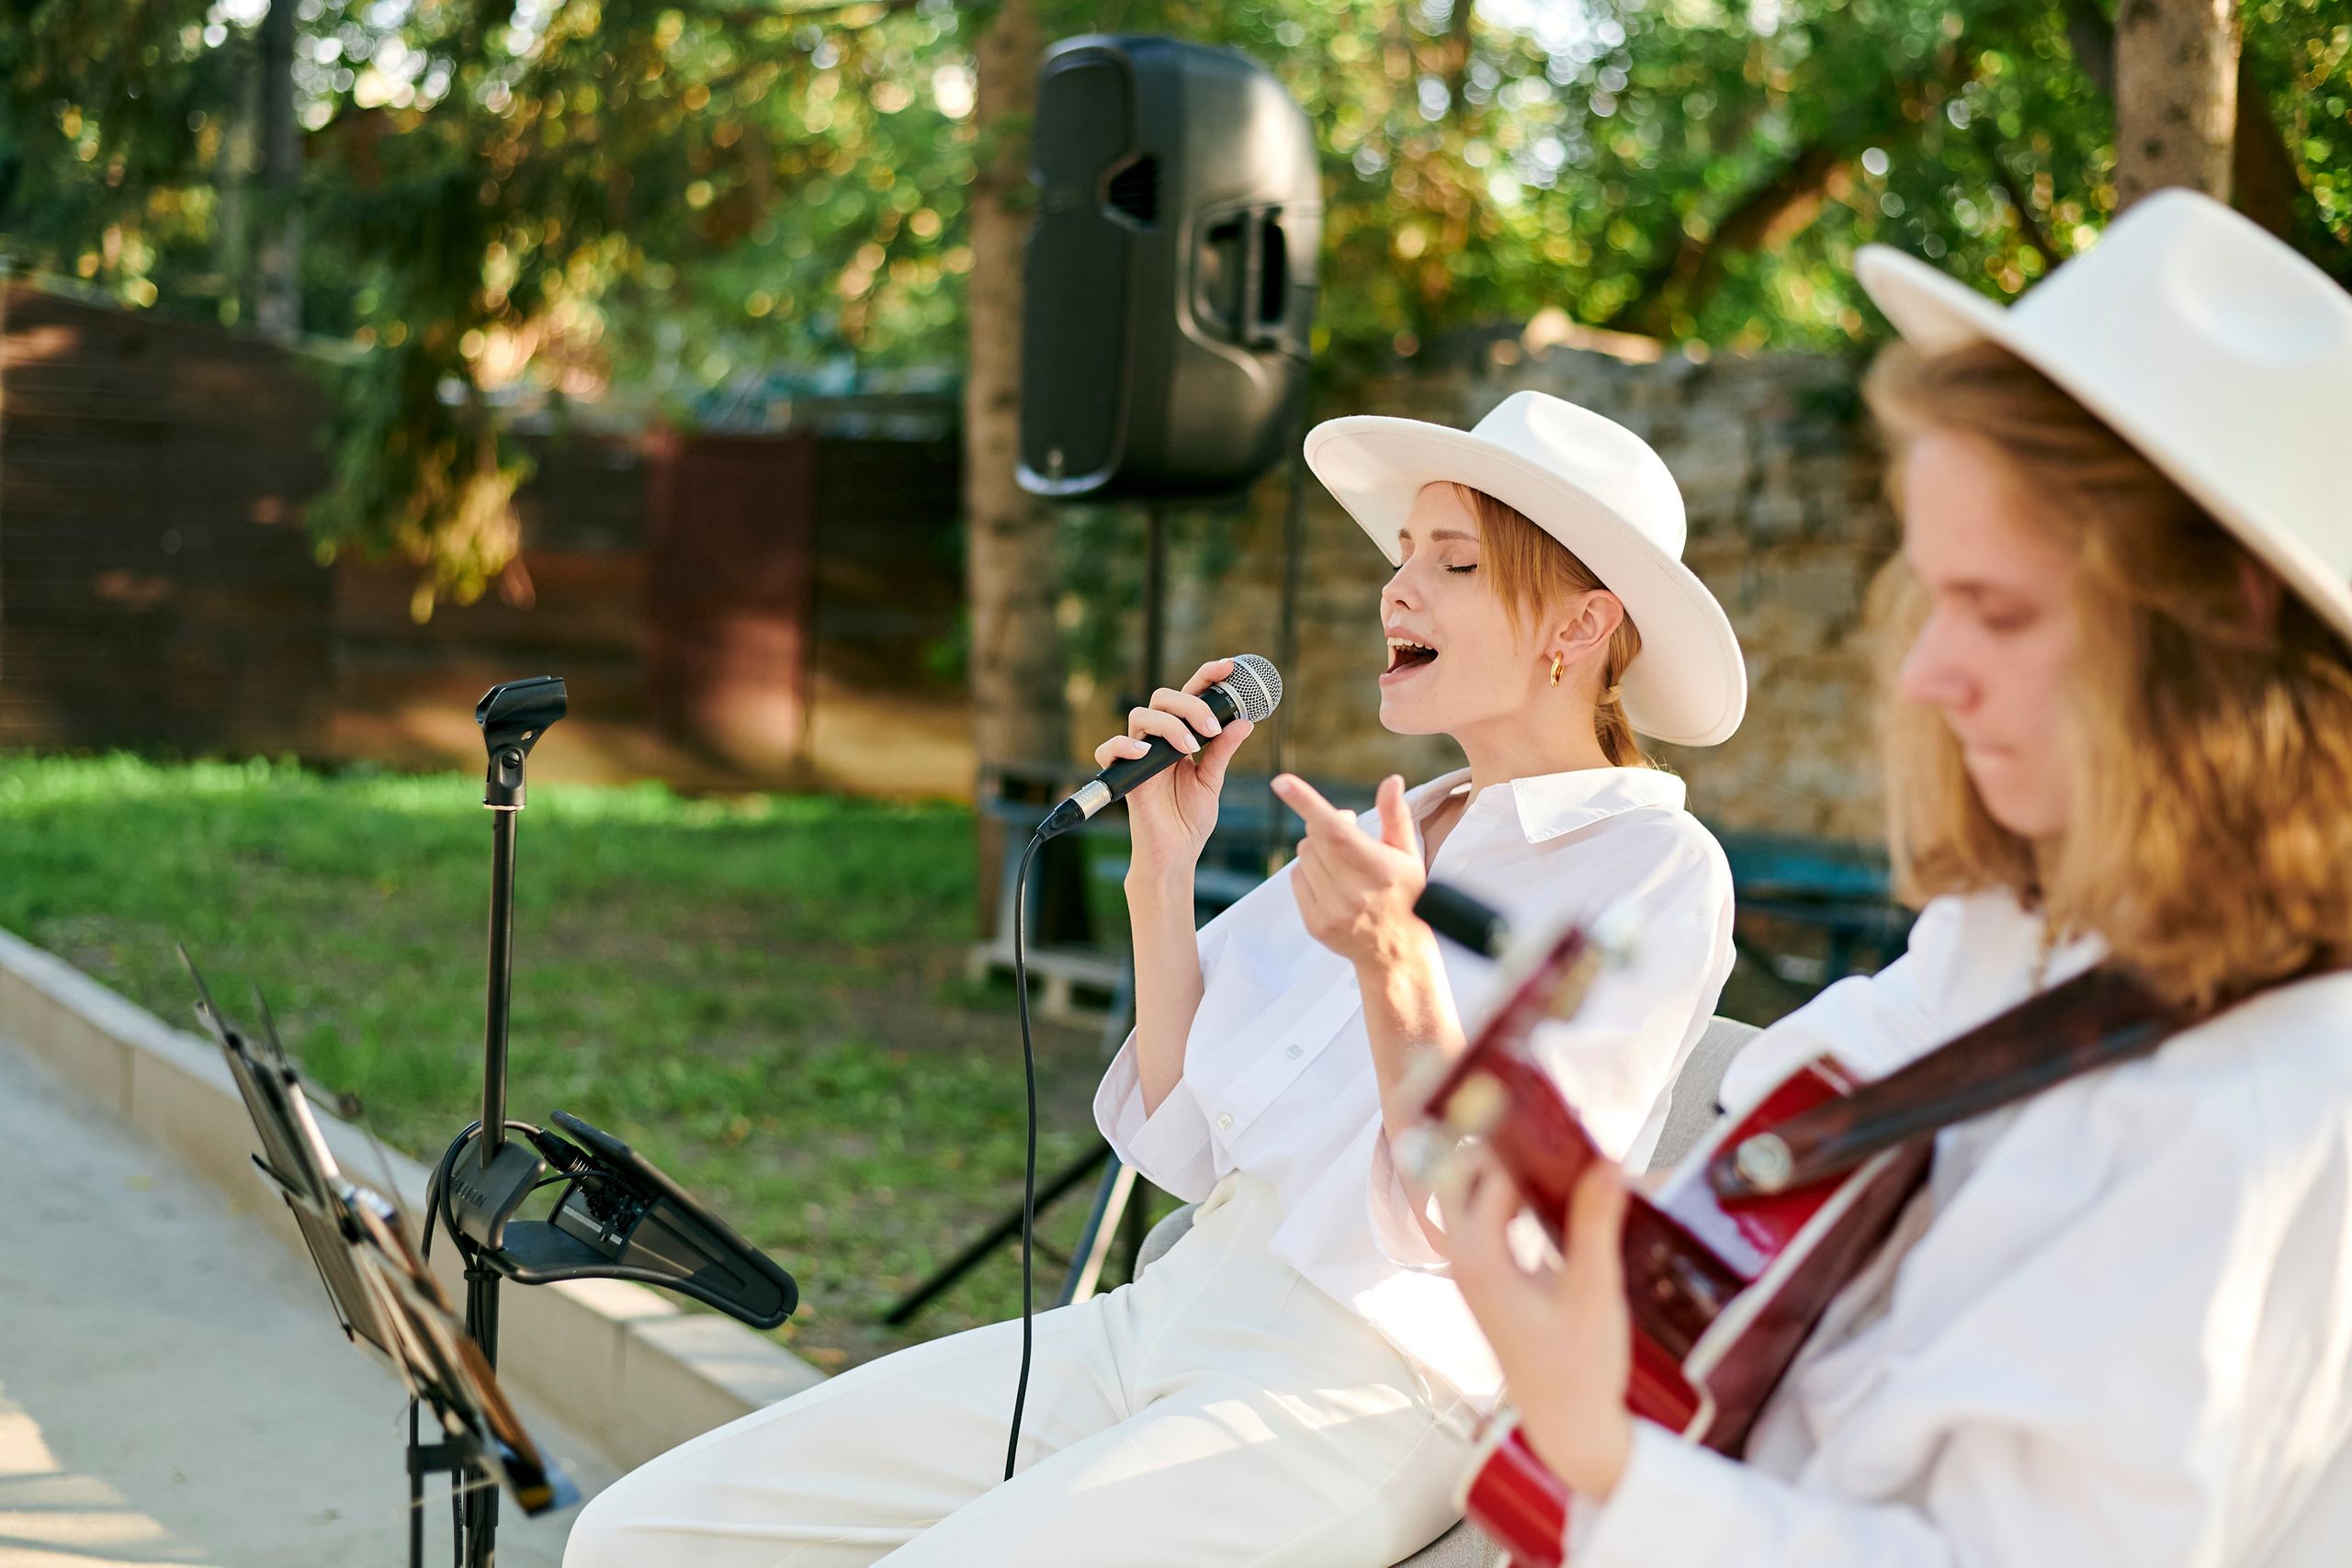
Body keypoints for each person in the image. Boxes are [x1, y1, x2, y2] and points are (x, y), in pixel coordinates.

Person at [562, 389, 1748, 1567]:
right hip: (1160, 1318)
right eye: (1402, 556)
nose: (1397, 591)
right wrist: (1164, 868)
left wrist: (1394, 966)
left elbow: (1477, 1215)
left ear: (1580, 626)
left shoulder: (1653, 870)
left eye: (1456, 564)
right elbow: (1182, 1134)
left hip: (1364, 1386)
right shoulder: (1393, 831)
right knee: (640, 1537)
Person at [1437, 189, 2352, 1566]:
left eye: (2000, 610)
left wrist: (1608, 1453)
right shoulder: (2006, 940)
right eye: (1932, 596)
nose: (1925, 672)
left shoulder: (2273, 1108)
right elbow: (1768, 1153)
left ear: (2221, 639)